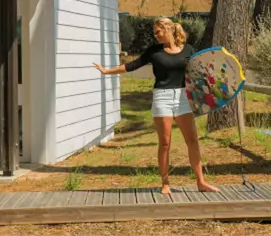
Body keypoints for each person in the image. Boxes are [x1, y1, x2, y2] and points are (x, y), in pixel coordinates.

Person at [93, 17, 219, 195]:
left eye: (158, 31)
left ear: (168, 29)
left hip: (183, 98)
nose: (155, 35)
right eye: (155, 32)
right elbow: (132, 65)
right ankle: (165, 183)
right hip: (162, 98)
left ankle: (201, 182)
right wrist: (107, 71)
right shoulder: (154, 51)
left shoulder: (189, 50)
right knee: (165, 143)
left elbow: (200, 71)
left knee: (192, 141)